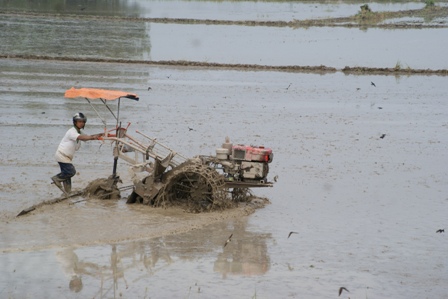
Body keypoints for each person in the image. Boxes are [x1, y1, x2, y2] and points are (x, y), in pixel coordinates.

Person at [51, 112, 101, 194]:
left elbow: (86, 138)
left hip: (66, 157)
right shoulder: (72, 131)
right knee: (71, 172)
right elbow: (82, 137)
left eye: (83, 122)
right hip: (62, 155)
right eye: (79, 121)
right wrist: (93, 137)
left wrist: (99, 135)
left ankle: (67, 193)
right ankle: (56, 179)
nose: (81, 123)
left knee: (67, 176)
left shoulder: (79, 132)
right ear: (75, 122)